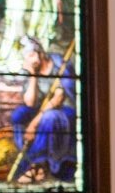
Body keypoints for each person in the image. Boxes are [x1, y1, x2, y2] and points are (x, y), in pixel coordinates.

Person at [5, 37, 77, 184]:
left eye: (31, 55)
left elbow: (58, 99)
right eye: (27, 57)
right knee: (19, 114)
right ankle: (31, 159)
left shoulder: (59, 66)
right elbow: (30, 102)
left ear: (40, 53)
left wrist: (34, 124)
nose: (29, 59)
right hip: (42, 110)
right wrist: (33, 74)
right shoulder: (34, 69)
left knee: (49, 117)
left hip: (65, 112)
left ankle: (37, 164)